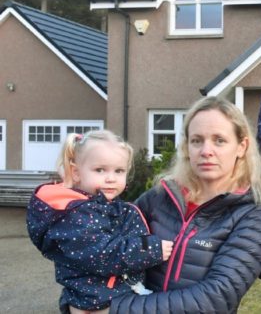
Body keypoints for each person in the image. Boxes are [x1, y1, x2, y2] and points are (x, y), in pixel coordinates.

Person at [109, 96, 261, 313]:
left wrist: (114, 309)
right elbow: (103, 245)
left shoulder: (252, 217)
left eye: (219, 140)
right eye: (197, 140)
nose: (206, 151)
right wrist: (81, 297)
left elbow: (214, 298)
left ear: (241, 147)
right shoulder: (159, 197)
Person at [27, 130, 174, 314]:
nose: (111, 178)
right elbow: (103, 254)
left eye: (119, 171)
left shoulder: (104, 207)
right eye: (100, 170)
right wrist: (151, 249)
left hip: (109, 297)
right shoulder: (76, 214)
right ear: (76, 172)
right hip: (95, 304)